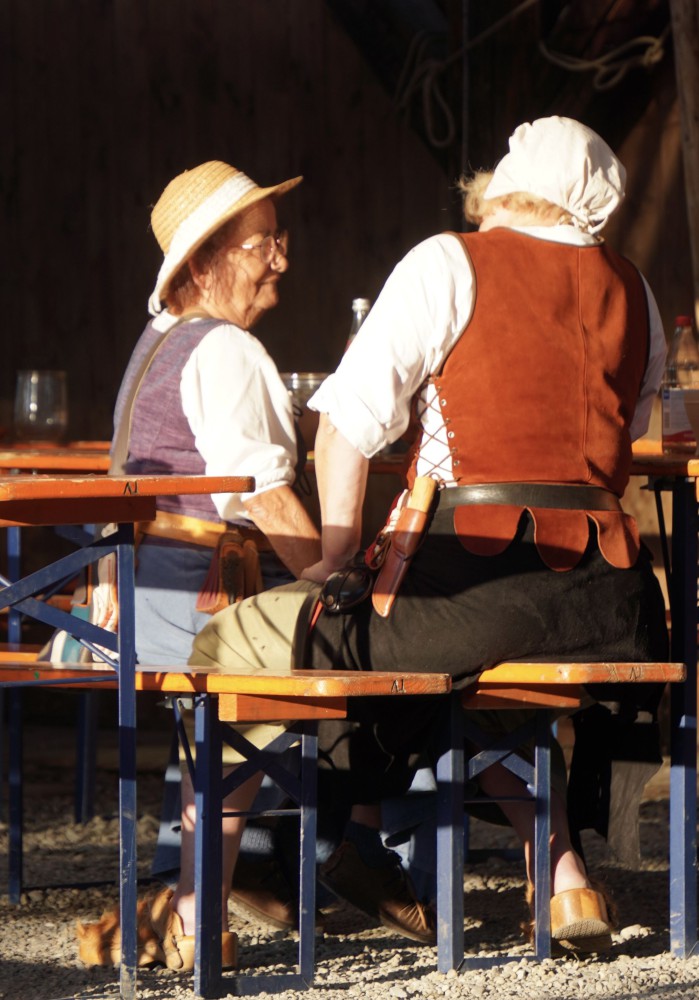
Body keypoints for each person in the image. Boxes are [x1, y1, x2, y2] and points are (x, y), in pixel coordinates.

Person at [190, 117, 669, 952]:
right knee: (467, 671)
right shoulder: (634, 287)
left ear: (501, 191)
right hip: (610, 602)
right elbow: (629, 424)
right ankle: (558, 876)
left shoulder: (449, 261)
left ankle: (208, 898)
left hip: (473, 585)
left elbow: (345, 427)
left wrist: (335, 560)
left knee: (243, 640)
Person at [110, 160, 321, 970]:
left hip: (142, 602)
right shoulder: (225, 349)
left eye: (279, 239)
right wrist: (336, 582)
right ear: (203, 264)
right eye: (262, 245)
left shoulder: (157, 343)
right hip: (192, 604)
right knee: (365, 646)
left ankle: (210, 889)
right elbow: (262, 496)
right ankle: (356, 862)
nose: (281, 260)